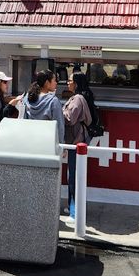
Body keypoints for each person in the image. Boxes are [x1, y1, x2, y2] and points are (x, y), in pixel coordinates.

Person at [63, 72, 94, 221]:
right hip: (77, 141)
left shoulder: (77, 99)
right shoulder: (80, 97)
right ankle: (72, 207)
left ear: (75, 83)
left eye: (69, 80)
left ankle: (74, 212)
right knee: (74, 175)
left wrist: (58, 110)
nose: (67, 83)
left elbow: (70, 119)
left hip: (75, 142)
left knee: (73, 176)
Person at [22, 69, 65, 145]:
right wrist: (61, 145)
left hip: (29, 141)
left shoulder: (27, 97)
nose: (56, 83)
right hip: (47, 143)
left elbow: (24, 119)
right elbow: (59, 126)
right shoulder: (53, 101)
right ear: (47, 83)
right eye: (54, 80)